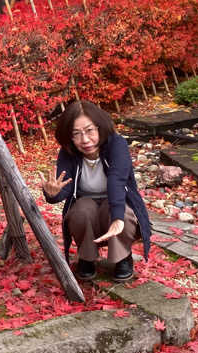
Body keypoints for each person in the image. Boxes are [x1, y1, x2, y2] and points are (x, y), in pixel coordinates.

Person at [40, 99, 151, 281]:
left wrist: (116, 218)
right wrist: (52, 194)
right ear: (69, 136)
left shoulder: (117, 144)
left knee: (120, 212)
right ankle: (87, 257)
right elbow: (64, 188)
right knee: (81, 210)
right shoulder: (68, 153)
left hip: (115, 201)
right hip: (86, 204)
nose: (85, 140)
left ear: (100, 127)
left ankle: (122, 257)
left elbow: (117, 179)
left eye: (90, 131)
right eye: (76, 134)